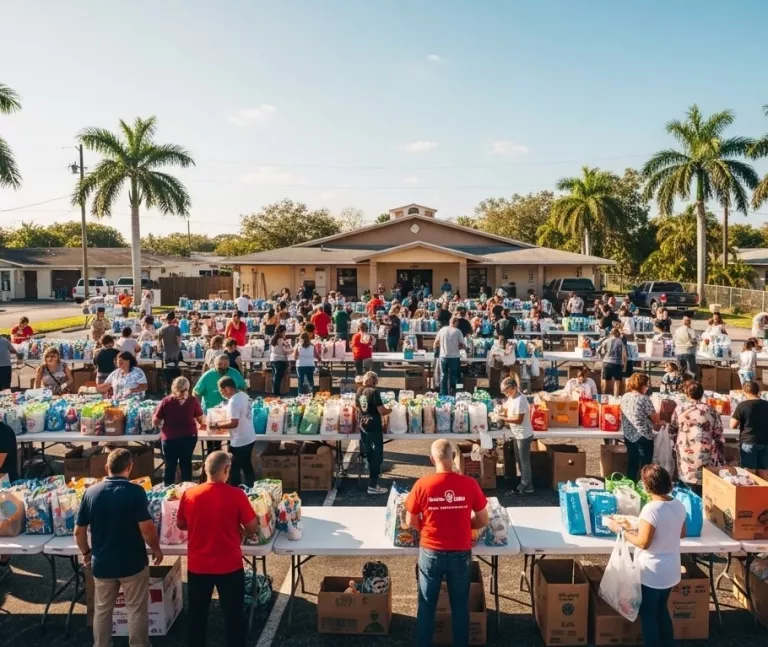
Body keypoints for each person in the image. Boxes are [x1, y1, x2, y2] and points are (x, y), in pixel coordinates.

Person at [75, 448, 163, 647]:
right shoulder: (135, 492)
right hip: (132, 562)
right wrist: (156, 548)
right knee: (136, 610)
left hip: (102, 563)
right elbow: (147, 529)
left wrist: (86, 553)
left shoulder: (90, 492)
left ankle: (101, 644)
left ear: (107, 467)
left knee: (103, 610)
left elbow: (79, 531)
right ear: (129, 467)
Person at [405, 439, 489, 647]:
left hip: (431, 550)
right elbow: (483, 519)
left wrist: (428, 527)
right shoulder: (469, 484)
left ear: (432, 459)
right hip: (460, 551)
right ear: (454, 457)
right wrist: (464, 523)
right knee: (460, 605)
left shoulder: (422, 485)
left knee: (426, 604)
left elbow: (410, 521)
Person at [176, 451, 258, 647]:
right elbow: (252, 527)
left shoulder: (189, 494)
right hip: (229, 566)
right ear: (227, 470)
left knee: (197, 616)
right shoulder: (237, 495)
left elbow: (180, 524)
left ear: (205, 469)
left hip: (198, 566)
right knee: (234, 616)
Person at [605, 464, 686, 647]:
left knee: (648, 616)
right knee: (662, 612)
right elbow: (681, 532)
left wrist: (620, 531)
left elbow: (643, 543)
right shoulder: (678, 505)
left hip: (652, 572)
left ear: (646, 486)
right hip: (671, 569)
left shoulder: (651, 509)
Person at [669, 380, 724, 496]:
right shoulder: (710, 410)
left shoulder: (680, 409)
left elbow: (672, 429)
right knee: (704, 483)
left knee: (687, 477)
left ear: (687, 394)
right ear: (702, 394)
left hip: (685, 450)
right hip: (705, 451)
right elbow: (718, 432)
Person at [208, 376, 258, 488]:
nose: (222, 394)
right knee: (246, 465)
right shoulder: (243, 395)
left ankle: (235, 490)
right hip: (249, 436)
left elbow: (234, 423)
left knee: (234, 469)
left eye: (222, 391)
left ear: (227, 389)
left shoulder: (233, 402)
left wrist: (217, 425)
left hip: (239, 440)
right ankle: (251, 488)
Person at [154, 376, 205, 485]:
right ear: (188, 387)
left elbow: (155, 421)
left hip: (170, 438)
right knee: (186, 465)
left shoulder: (166, 401)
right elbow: (201, 419)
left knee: (170, 466)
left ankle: (168, 491)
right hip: (188, 437)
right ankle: (187, 491)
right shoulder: (192, 400)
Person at [356, 371, 390, 494]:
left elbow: (357, 408)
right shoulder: (374, 392)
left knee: (369, 454)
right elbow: (382, 411)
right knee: (376, 456)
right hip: (374, 427)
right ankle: (372, 486)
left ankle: (372, 481)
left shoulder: (359, 391)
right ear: (374, 381)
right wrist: (391, 409)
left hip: (363, 426)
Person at [621, 373, 660, 480]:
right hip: (643, 435)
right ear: (642, 385)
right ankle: (646, 486)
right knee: (646, 466)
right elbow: (655, 419)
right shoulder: (644, 399)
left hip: (629, 434)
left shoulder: (625, 397)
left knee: (632, 463)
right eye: (646, 384)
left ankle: (631, 486)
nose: (647, 387)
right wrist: (661, 423)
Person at [501, 377, 534, 494]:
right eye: (504, 391)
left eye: (507, 390)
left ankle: (526, 484)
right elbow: (505, 408)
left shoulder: (521, 400)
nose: (506, 393)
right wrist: (500, 411)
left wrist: (504, 419)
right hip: (517, 433)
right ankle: (525, 483)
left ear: (514, 388)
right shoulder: (511, 398)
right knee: (519, 460)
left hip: (524, 434)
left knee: (524, 461)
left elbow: (519, 419)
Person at [730, 380, 768, 471]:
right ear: (758, 391)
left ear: (744, 392)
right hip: (765, 442)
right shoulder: (766, 405)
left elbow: (732, 425)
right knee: (764, 471)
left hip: (749, 441)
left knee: (749, 471)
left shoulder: (742, 406)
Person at [433, 317, 465, 396]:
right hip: (454, 356)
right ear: (456, 322)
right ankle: (454, 392)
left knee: (443, 375)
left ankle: (443, 393)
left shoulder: (442, 330)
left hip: (443, 356)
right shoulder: (458, 331)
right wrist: (460, 347)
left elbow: (436, 342)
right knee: (454, 375)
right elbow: (463, 345)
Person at [158, 311, 183, 392]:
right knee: (175, 370)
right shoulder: (177, 329)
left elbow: (158, 341)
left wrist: (160, 349)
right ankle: (176, 388)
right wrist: (179, 347)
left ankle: (167, 388)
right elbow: (178, 340)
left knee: (167, 370)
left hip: (166, 351)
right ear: (173, 319)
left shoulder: (162, 329)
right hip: (175, 352)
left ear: (167, 319)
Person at [599, 327, 627, 397]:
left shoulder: (606, 341)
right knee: (617, 382)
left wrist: (603, 357)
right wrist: (624, 367)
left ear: (610, 333)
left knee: (604, 381)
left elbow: (600, 352)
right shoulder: (621, 341)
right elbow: (624, 356)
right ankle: (615, 397)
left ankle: (603, 397)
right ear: (618, 334)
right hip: (617, 364)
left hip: (606, 363)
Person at [269, 326, 291, 396]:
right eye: (284, 332)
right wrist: (292, 350)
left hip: (273, 359)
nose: (285, 334)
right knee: (278, 377)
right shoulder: (280, 340)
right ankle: (276, 393)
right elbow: (285, 351)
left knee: (275, 376)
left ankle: (274, 391)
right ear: (282, 332)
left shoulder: (273, 339)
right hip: (280, 360)